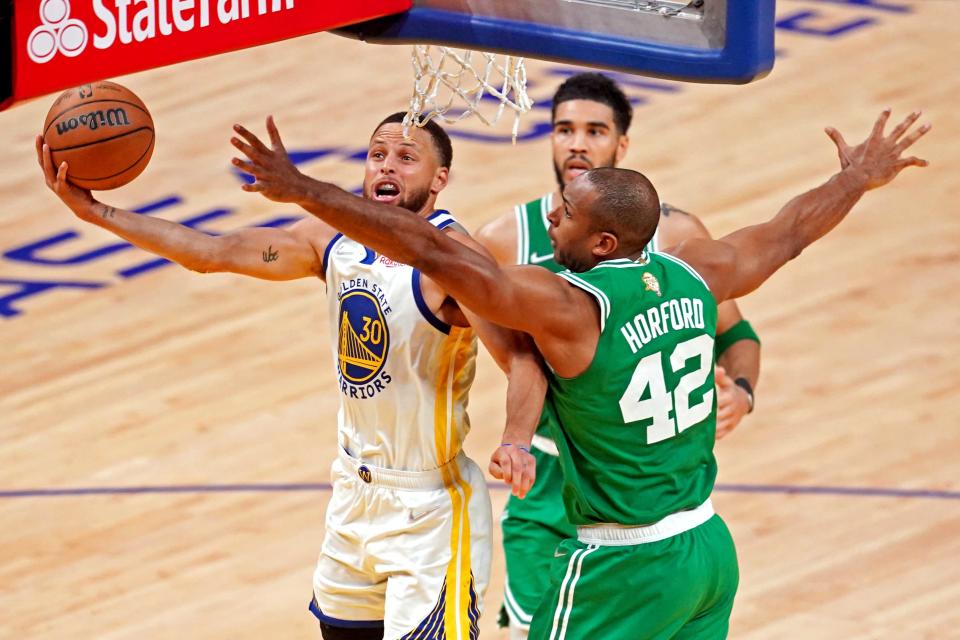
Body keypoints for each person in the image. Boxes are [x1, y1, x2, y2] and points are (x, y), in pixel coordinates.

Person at [227, 108, 928, 638]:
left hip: (623, 565)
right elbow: (790, 232)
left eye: (563, 217)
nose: (549, 218)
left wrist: (305, 191)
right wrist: (856, 178)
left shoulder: (568, 308)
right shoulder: (698, 272)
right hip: (708, 549)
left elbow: (432, 251)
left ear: (601, 240)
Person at [36, 112, 542, 640]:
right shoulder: (331, 241)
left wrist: (516, 440)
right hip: (354, 496)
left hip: (432, 512)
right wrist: (98, 212)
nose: (386, 166)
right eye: (377, 154)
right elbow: (212, 253)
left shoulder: (457, 260)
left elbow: (523, 357)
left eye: (406, 158)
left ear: (439, 180)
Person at [474, 72, 762, 638]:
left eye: (594, 130)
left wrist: (744, 393)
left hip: (633, 490)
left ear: (621, 146)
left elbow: (737, 332)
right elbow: (511, 349)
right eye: (563, 129)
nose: (577, 143)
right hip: (548, 482)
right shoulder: (507, 235)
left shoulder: (675, 236)